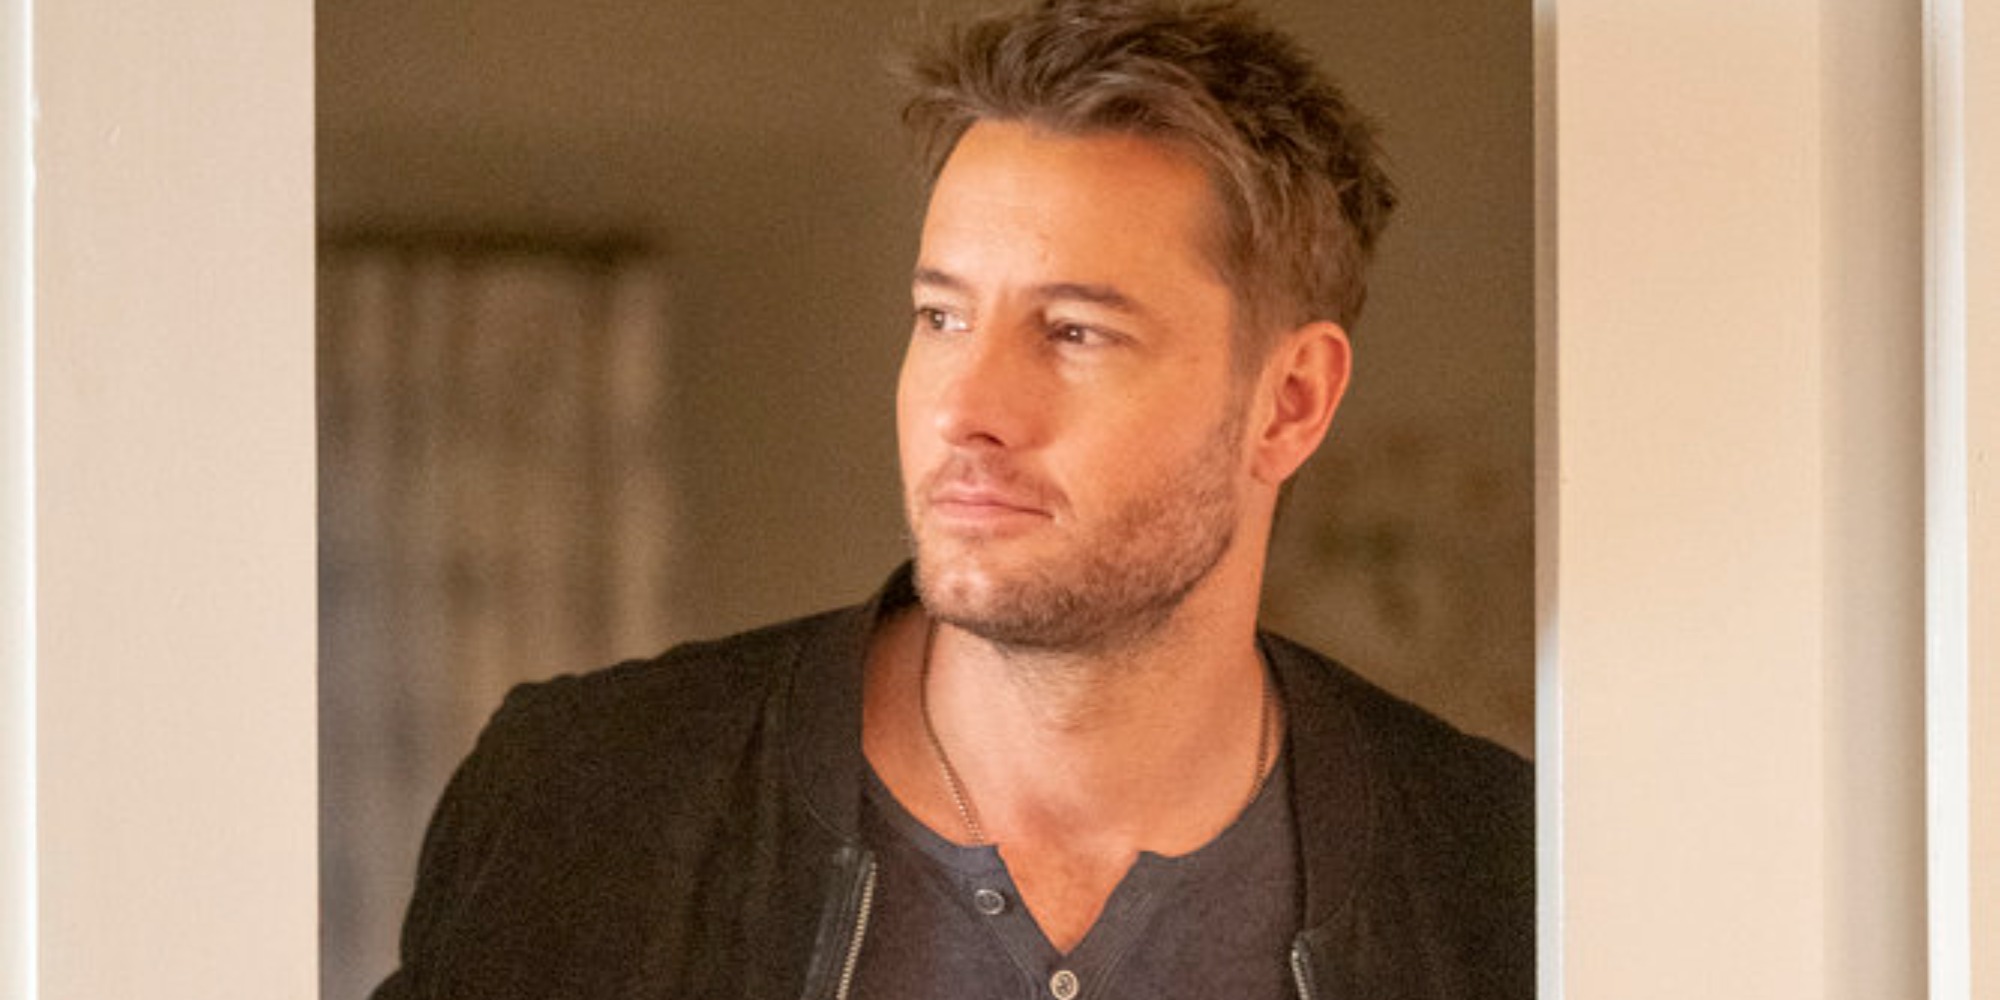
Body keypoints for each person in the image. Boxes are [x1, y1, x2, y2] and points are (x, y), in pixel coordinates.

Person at [372, 1, 1532, 997]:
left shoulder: (1496, 874)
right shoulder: (586, 803)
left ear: (1288, 402)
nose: (966, 408)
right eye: (941, 317)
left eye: (1073, 331)